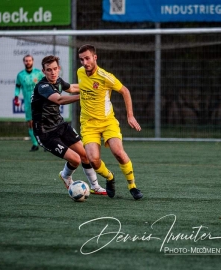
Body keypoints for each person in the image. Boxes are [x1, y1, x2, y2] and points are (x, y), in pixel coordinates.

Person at [31, 55, 106, 195]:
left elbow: (72, 87)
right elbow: (59, 99)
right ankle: (65, 176)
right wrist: (84, 96)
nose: (52, 73)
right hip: (45, 133)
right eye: (48, 70)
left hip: (60, 125)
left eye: (54, 69)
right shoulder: (43, 86)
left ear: (59, 69)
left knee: (85, 155)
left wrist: (93, 86)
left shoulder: (58, 81)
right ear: (43, 71)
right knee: (75, 159)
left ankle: (95, 186)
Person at [77, 44, 143, 200]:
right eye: (81, 59)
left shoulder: (106, 76)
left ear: (95, 57)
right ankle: (110, 177)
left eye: (87, 58)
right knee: (93, 160)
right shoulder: (80, 72)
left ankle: (132, 186)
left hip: (108, 122)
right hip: (88, 124)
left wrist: (130, 115)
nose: (84, 62)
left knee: (118, 153)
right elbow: (81, 88)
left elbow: (125, 91)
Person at [14, 55, 44, 151]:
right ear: (24, 62)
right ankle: (35, 144)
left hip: (39, 102)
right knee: (30, 123)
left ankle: (45, 143)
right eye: (26, 61)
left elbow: (45, 84)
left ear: (33, 61)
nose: (28, 62)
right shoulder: (20, 75)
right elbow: (17, 86)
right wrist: (16, 97)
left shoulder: (39, 73)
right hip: (28, 103)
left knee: (42, 123)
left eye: (29, 60)